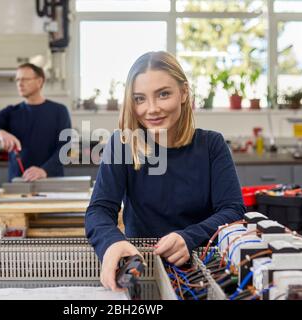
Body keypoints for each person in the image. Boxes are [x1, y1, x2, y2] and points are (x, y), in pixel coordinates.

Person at [85, 51, 245, 292]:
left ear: (183, 93)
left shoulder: (212, 145)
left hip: (206, 270)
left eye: (163, 94)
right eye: (140, 99)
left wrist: (188, 238)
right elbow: (99, 210)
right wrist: (111, 243)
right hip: (143, 269)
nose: (152, 109)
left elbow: (233, 211)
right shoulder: (122, 144)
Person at [0, 63, 71, 182]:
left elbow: (66, 148)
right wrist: (0, 133)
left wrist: (44, 170)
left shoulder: (59, 111)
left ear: (40, 81)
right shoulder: (11, 112)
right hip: (19, 181)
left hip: (51, 180)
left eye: (25, 79)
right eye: (17, 80)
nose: (20, 84)